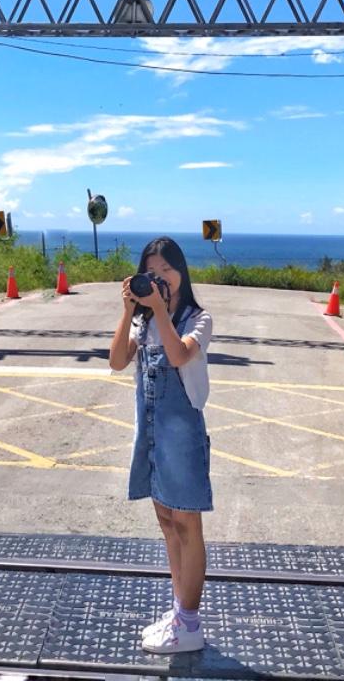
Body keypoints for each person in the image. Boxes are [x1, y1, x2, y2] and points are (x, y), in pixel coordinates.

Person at [108, 236, 214, 654]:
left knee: (188, 526)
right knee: (168, 524)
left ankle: (190, 624)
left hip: (182, 436)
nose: (160, 279)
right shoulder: (144, 322)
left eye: (167, 270)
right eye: (151, 273)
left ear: (182, 272)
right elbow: (117, 361)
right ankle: (179, 613)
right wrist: (128, 310)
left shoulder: (197, 319)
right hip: (152, 432)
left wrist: (158, 310)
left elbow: (178, 356)